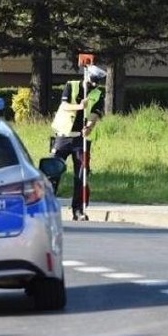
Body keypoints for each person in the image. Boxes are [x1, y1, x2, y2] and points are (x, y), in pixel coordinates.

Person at [50, 64, 106, 221]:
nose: (94, 85)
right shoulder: (71, 85)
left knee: (82, 175)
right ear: (86, 77)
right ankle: (47, 207)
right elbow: (64, 105)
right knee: (53, 172)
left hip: (80, 139)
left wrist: (89, 127)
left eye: (97, 82)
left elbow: (95, 113)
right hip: (63, 136)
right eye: (92, 81)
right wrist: (79, 106)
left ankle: (78, 210)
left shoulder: (97, 94)